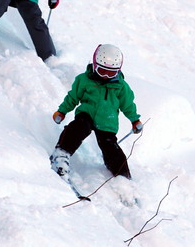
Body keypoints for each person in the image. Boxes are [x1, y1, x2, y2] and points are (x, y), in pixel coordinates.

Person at [49, 44, 144, 179]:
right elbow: (73, 97)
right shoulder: (84, 80)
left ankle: (123, 176)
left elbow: (128, 105)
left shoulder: (121, 87)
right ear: (94, 65)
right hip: (86, 114)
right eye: (102, 71)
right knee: (78, 128)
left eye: (111, 73)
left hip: (107, 121)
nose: (105, 76)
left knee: (110, 147)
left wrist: (135, 120)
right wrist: (62, 111)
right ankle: (61, 154)